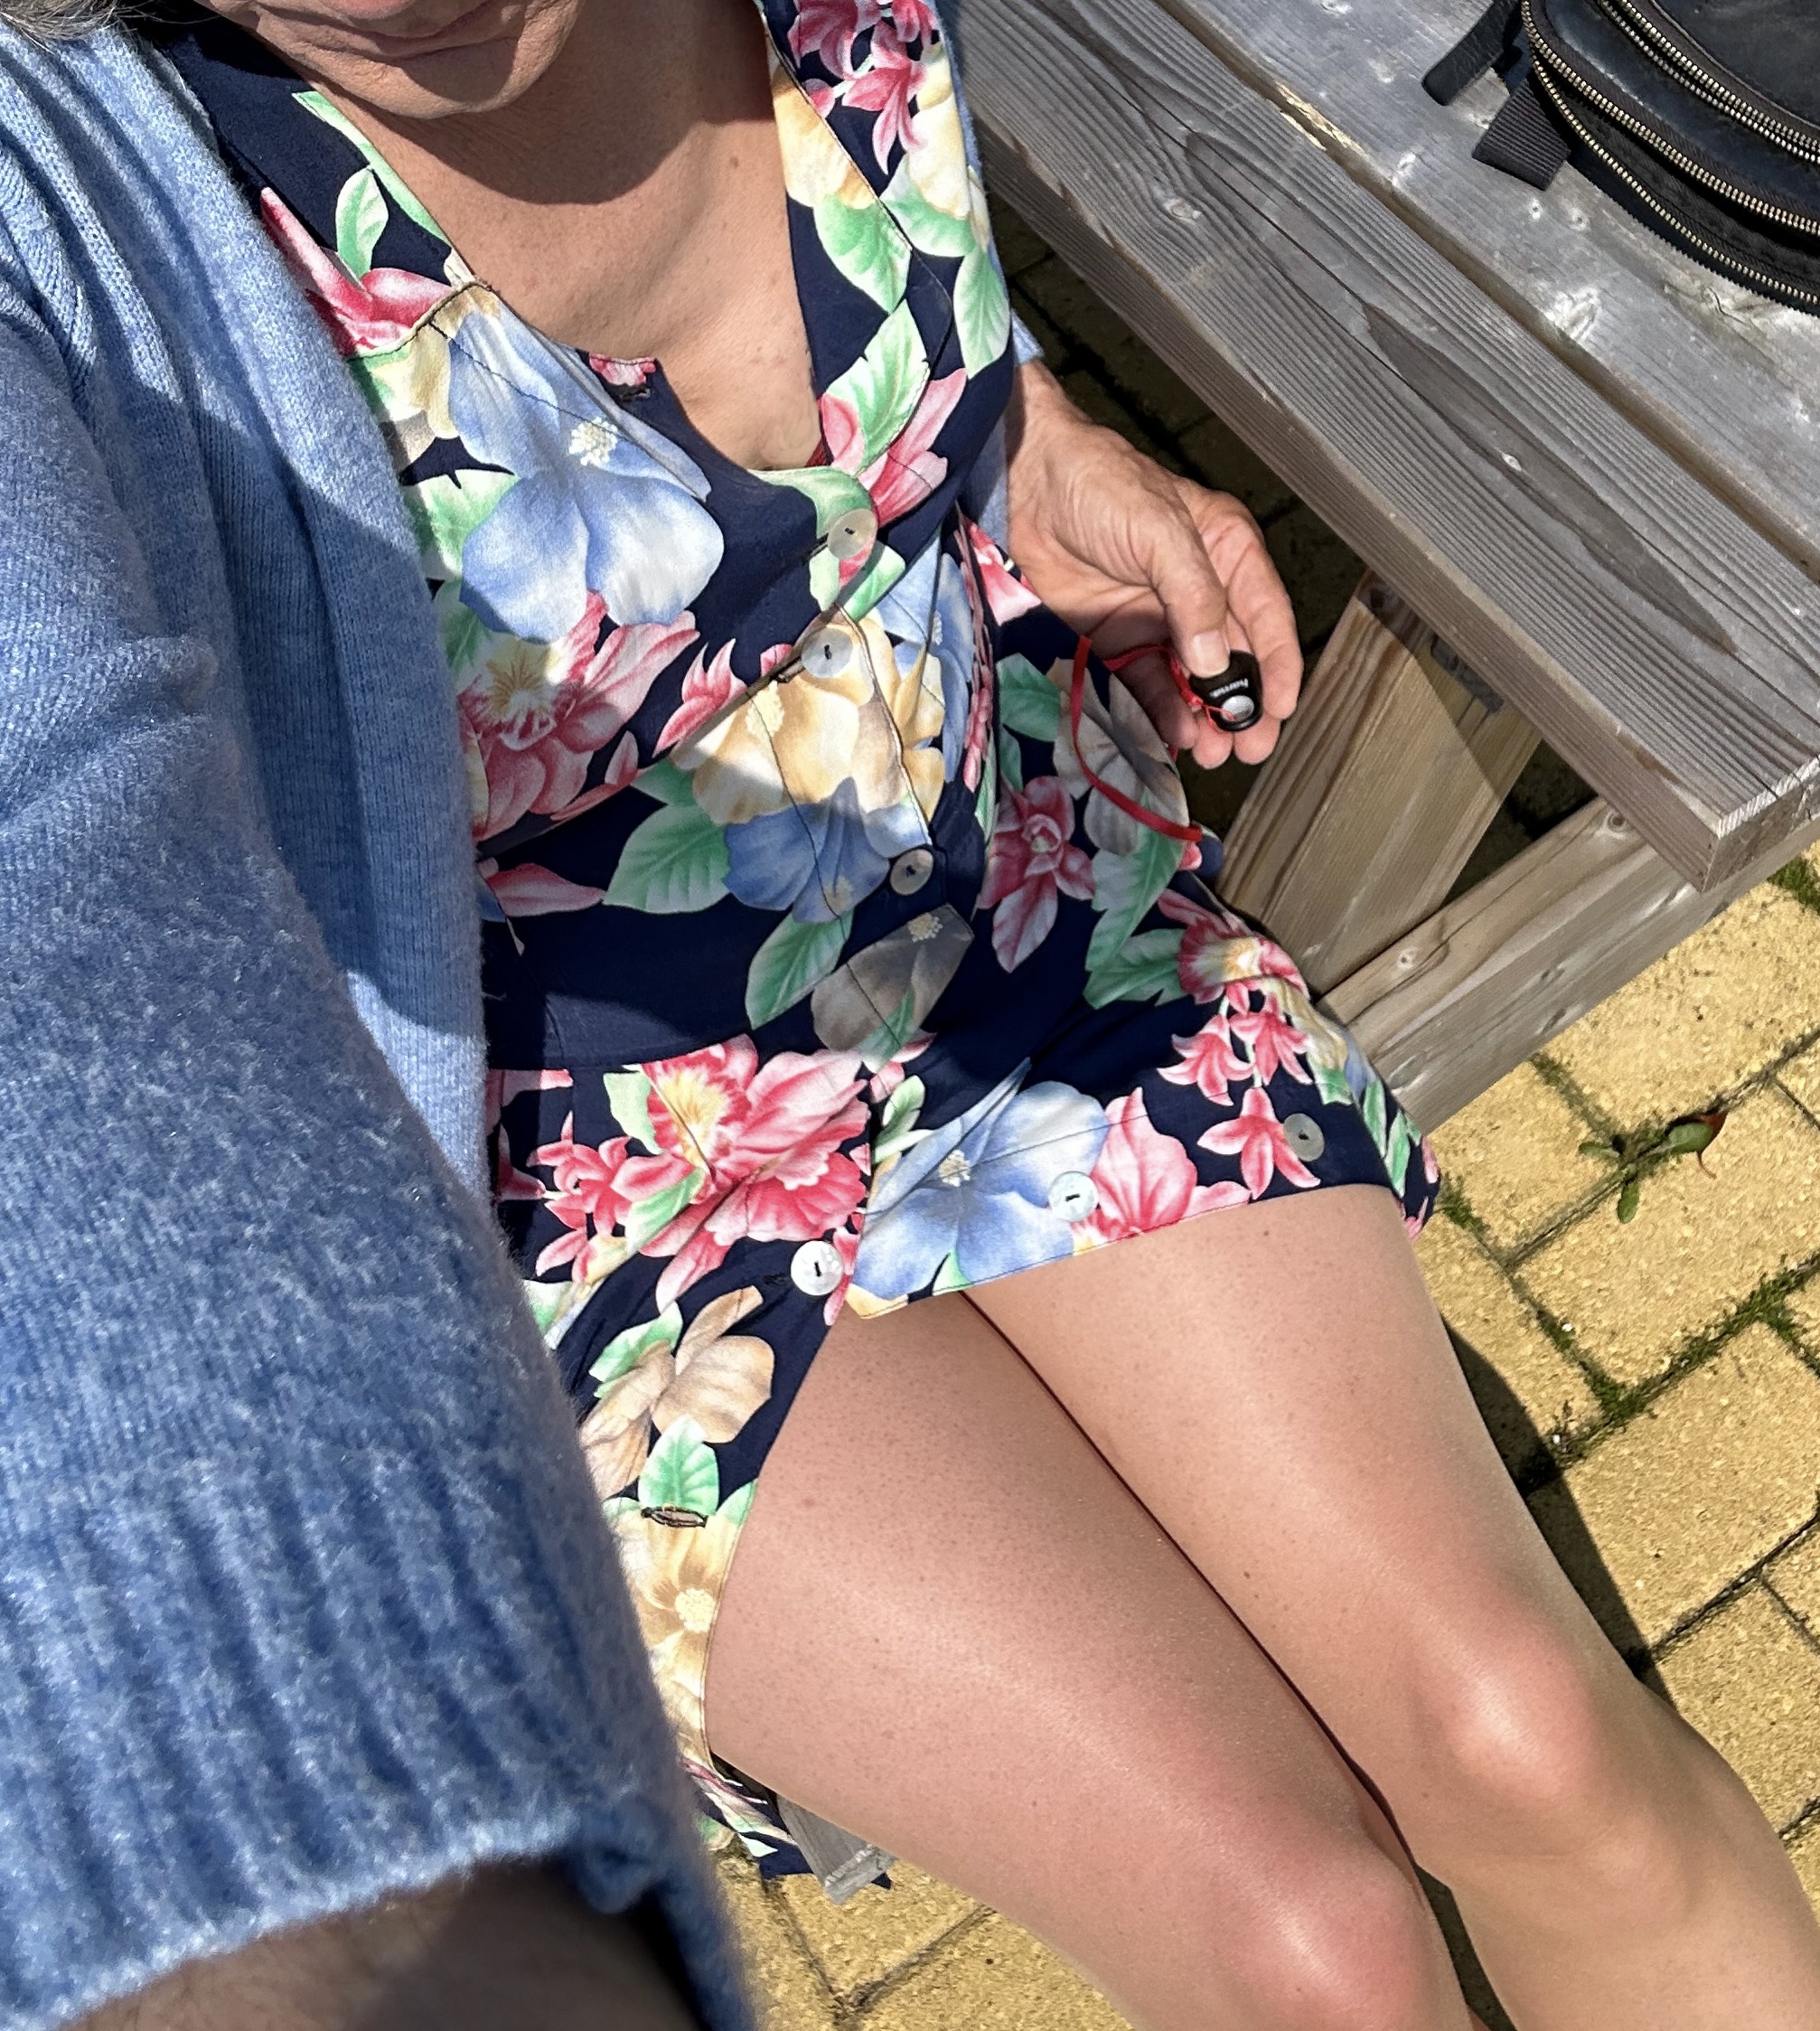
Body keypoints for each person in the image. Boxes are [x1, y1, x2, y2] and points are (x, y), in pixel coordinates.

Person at [4, 0, 1818, 2026]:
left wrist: (1012, 435)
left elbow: (867, 277)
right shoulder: (70, 209)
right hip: (581, 1199)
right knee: (1312, 1939)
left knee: (1526, 1740)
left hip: (1021, 905)